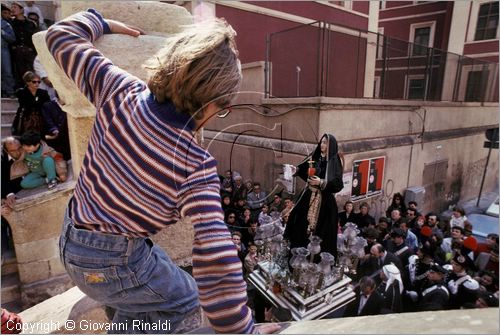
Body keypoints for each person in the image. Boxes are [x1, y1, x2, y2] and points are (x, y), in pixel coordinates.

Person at [47, 9, 279, 334]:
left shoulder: (119, 90)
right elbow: (216, 255)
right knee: (185, 304)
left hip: (71, 240)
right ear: (216, 106)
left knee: (157, 282)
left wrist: (101, 23)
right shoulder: (194, 166)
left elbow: (59, 36)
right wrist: (245, 331)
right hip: (112, 263)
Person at [284, 134, 344, 258]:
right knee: (298, 220)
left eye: (325, 143)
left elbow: (338, 183)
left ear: (331, 145)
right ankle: (297, 254)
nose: (322, 145)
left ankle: (317, 259)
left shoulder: (334, 160)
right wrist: (295, 170)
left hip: (325, 200)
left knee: (323, 229)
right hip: (308, 194)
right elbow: (303, 168)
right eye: (321, 142)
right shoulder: (314, 156)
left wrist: (321, 182)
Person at [12, 71, 49, 136]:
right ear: (27, 82)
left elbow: (47, 105)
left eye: (39, 82)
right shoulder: (21, 92)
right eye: (34, 82)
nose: (37, 84)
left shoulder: (43, 93)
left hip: (40, 119)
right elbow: (26, 104)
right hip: (26, 118)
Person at [1, 4, 16, 98]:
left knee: (7, 72)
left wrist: (2, 32)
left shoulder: (5, 24)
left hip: (3, 50)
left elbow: (12, 38)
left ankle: (10, 91)